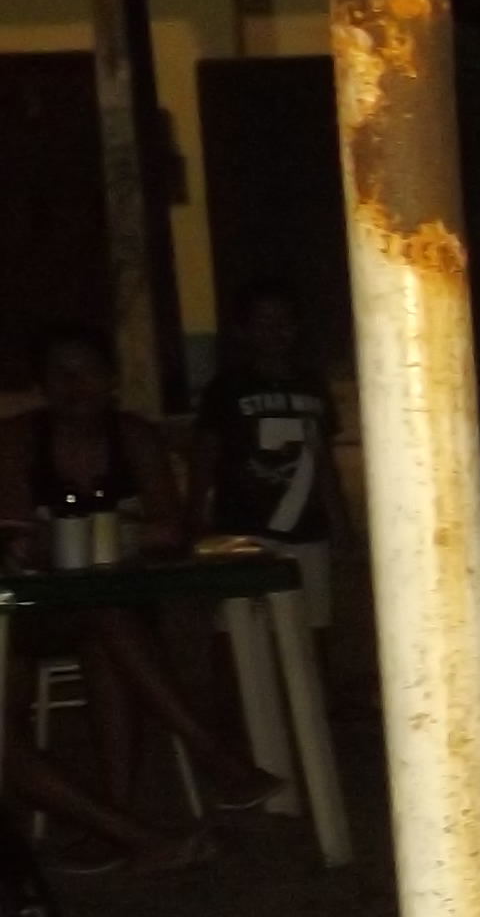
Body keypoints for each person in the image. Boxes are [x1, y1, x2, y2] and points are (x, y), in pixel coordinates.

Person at [3, 324, 276, 830]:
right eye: (59, 373)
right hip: (36, 612)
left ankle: (121, 820)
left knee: (106, 627)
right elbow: (19, 537)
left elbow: (171, 527)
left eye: (86, 371)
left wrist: (79, 535)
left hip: (120, 604)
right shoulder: (20, 439)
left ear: (111, 379)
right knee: (106, 617)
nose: (73, 385)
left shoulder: (132, 436)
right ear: (41, 383)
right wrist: (120, 532)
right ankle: (210, 752)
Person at [192, 280, 341, 627]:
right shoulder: (226, 388)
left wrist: (339, 523)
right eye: (263, 323)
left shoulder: (313, 386)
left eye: (284, 322)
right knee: (238, 628)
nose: (275, 332)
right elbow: (205, 457)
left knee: (311, 626)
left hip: (306, 530)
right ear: (243, 330)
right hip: (241, 530)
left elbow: (323, 460)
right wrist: (196, 521)